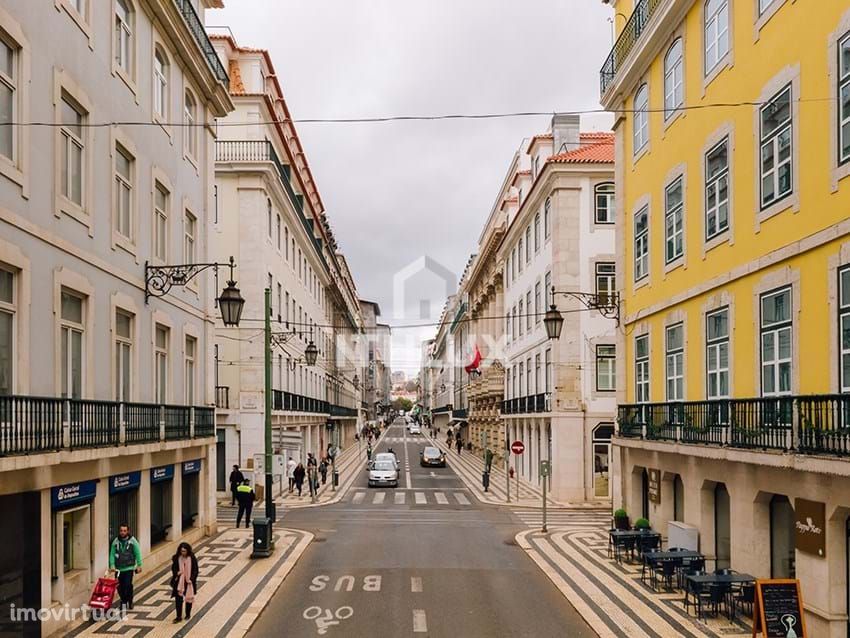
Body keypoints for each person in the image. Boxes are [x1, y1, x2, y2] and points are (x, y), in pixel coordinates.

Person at [109, 523, 142, 611]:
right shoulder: (115, 541)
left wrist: (139, 565)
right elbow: (112, 554)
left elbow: (137, 553)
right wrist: (112, 565)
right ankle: (124, 599)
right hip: (118, 569)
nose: (122, 532)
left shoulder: (133, 541)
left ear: (128, 531)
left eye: (124, 531)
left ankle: (127, 601)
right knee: (119, 587)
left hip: (129, 568)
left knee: (127, 585)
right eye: (121, 531)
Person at [170, 542, 198, 623]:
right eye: (182, 551)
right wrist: (176, 573)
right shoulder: (176, 558)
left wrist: (191, 579)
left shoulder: (192, 558)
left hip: (188, 582)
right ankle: (178, 616)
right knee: (178, 599)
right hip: (179, 581)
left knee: (189, 598)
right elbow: (173, 568)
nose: (183, 553)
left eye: (184, 551)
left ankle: (187, 614)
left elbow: (195, 570)